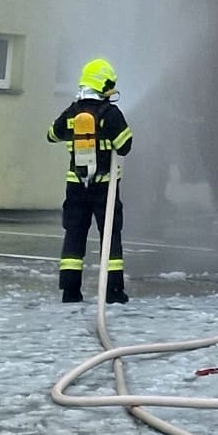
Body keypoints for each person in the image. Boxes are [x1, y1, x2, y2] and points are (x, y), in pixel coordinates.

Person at [49, 57, 133, 304]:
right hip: (105, 188)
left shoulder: (72, 112)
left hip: (76, 186)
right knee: (110, 235)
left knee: (74, 233)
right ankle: (113, 291)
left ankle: (70, 291)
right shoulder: (111, 114)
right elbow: (125, 146)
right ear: (103, 85)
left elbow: (51, 134)